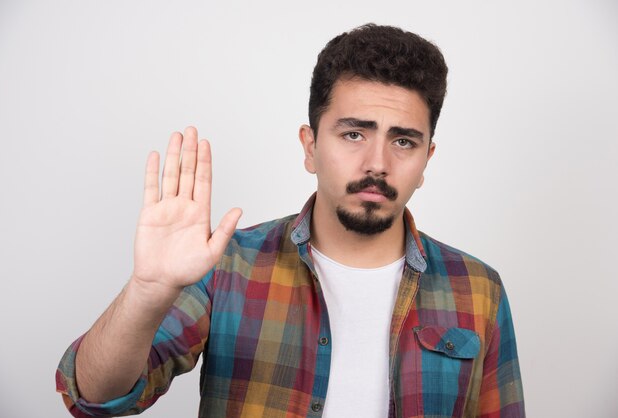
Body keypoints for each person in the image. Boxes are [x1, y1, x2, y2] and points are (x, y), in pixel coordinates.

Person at [56, 24, 525, 417]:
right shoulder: (228, 267)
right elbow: (93, 397)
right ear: (310, 146)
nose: (377, 162)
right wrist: (148, 290)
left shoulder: (478, 289)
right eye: (354, 133)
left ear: (427, 159)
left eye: (403, 141)